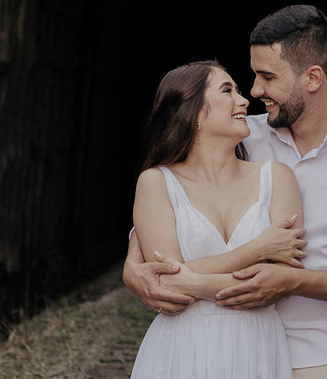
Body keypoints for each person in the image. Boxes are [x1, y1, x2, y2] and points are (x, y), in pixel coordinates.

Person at [125, 5, 327, 379]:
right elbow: (179, 204)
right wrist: (133, 266)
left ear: (313, 78)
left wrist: (295, 281)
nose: (255, 91)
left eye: (267, 77)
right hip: (239, 351)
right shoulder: (244, 135)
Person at [128, 59, 308, 379]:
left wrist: (191, 280)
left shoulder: (276, 178)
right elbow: (168, 286)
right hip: (182, 349)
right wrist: (259, 248)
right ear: (193, 112)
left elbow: (277, 282)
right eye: (228, 90)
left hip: (258, 347)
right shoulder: (156, 182)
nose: (243, 100)